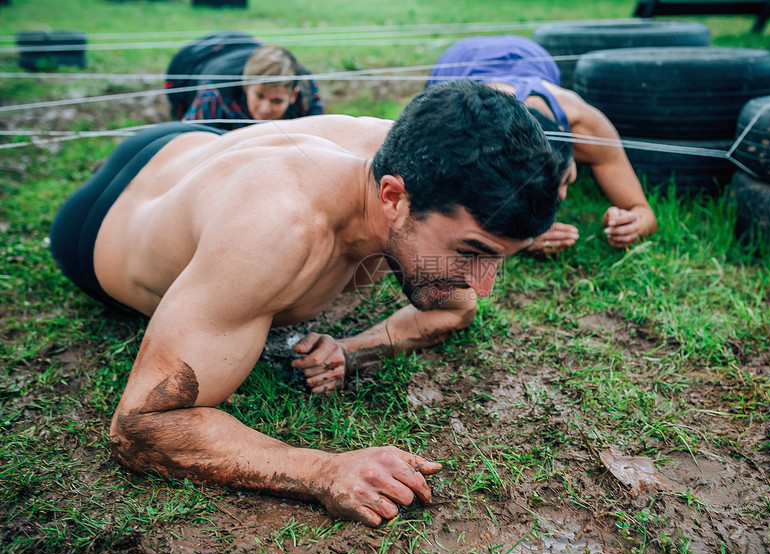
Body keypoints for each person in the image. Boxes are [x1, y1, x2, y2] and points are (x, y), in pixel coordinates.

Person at [49, 80, 562, 527]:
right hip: (98, 225)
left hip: (198, 147)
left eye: (498, 258)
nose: (486, 284)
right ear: (392, 199)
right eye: (472, 253)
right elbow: (140, 426)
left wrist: (352, 348)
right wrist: (321, 470)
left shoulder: (419, 156)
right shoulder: (274, 231)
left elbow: (459, 308)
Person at [428, 35, 657, 253]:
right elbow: (442, 219)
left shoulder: (588, 125)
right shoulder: (467, 133)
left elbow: (643, 211)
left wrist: (635, 223)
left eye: (567, 179)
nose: (562, 196)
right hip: (460, 58)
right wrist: (521, 240)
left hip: (527, 52)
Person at [164, 31, 324, 130]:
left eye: (276, 101)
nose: (265, 109)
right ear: (247, 86)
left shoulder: (307, 92)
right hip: (196, 64)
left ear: (293, 95)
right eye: (259, 96)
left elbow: (318, 138)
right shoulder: (215, 93)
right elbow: (191, 139)